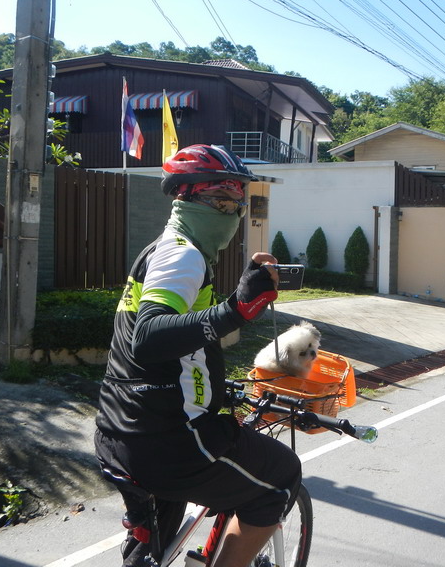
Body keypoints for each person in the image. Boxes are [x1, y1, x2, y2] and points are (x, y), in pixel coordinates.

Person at [94, 144, 302, 567]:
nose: (234, 211)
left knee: (155, 547)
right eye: (222, 199)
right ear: (185, 197)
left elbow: (168, 348)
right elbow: (148, 338)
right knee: (282, 474)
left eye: (239, 201)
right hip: (167, 441)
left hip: (118, 432)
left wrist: (212, 384)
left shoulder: (162, 249)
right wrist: (234, 311)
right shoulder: (183, 255)